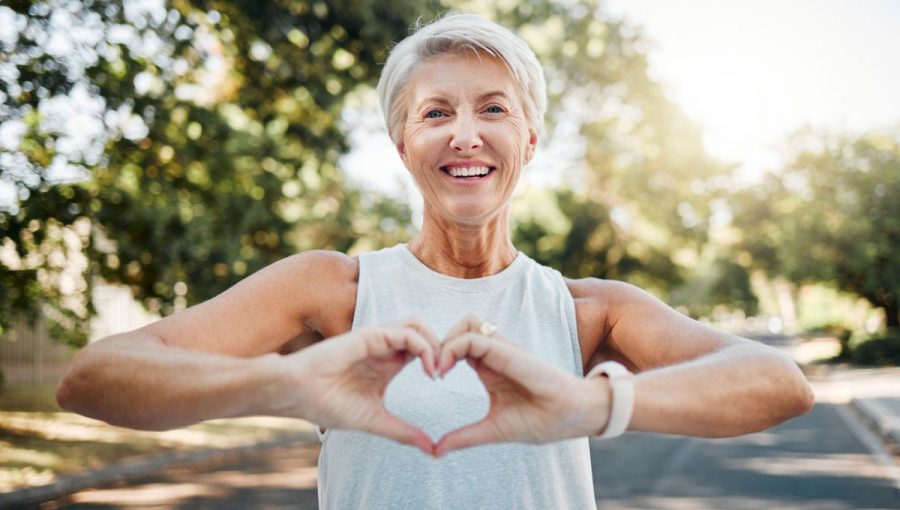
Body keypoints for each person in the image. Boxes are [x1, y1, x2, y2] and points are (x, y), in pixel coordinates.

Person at [57, 12, 814, 509]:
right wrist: (289, 384)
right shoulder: (332, 291)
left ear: (529, 140)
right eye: (435, 113)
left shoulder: (586, 310)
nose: (465, 134)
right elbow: (91, 379)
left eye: (493, 108)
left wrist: (590, 405)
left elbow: (778, 384)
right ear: (402, 146)